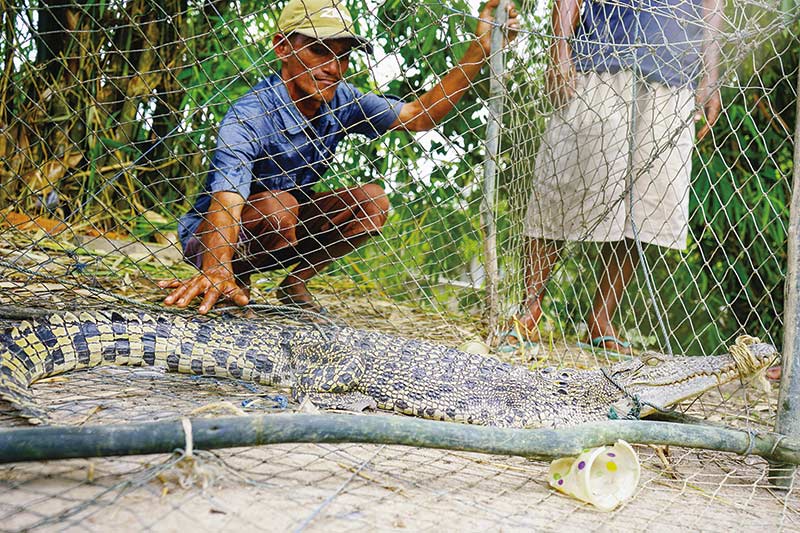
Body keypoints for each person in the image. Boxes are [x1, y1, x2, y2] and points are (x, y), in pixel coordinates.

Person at [160, 0, 519, 314]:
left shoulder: (342, 100)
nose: (333, 67)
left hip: (283, 226)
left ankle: (294, 284)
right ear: (282, 47)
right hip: (213, 239)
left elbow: (418, 116)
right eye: (318, 50)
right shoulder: (249, 114)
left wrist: (480, 49)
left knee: (372, 201)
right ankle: (230, 280)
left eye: (342, 55)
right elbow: (227, 197)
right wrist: (216, 266)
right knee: (278, 208)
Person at [503, 0, 722, 356]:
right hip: (600, 57)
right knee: (562, 180)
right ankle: (529, 309)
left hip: (674, 71)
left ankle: (601, 319)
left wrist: (710, 76)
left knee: (647, 199)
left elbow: (712, 4)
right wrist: (560, 49)